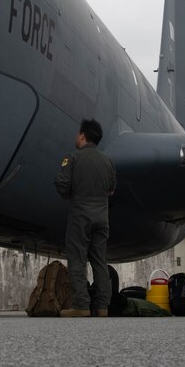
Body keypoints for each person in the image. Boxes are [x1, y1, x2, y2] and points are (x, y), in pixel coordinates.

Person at [55, 118, 116, 317]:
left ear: (82, 136)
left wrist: (72, 195)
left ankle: (80, 305)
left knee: (77, 258)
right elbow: (111, 190)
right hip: (102, 217)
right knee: (99, 260)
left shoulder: (73, 158)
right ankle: (102, 307)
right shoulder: (107, 161)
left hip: (80, 215)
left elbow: (61, 184)